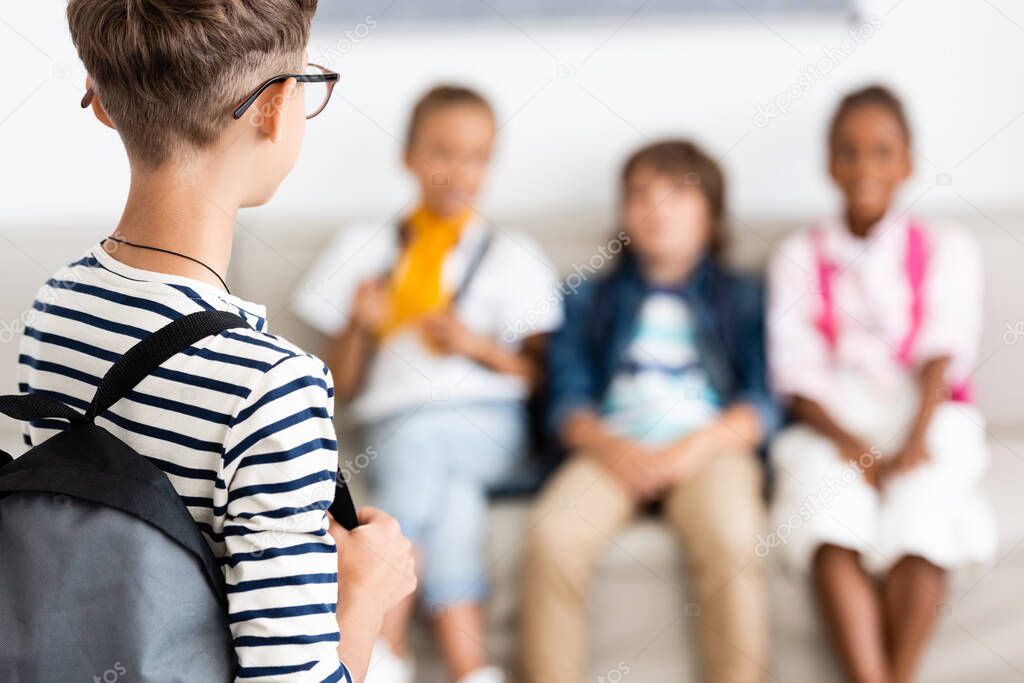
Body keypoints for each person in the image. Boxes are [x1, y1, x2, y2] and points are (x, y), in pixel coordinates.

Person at [21, 2, 417, 681]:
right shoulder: (273, 386)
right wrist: (366, 597)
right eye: (305, 86)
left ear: (103, 103)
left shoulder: (55, 307)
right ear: (272, 107)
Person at [294, 86, 563, 683]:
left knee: (425, 443)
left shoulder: (512, 255)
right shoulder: (365, 249)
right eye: (443, 152)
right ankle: (471, 667)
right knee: (451, 498)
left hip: (490, 430)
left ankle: (382, 640)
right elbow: (332, 386)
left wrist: (478, 347)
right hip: (394, 423)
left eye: (478, 155)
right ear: (409, 156)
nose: (460, 171)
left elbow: (544, 377)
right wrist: (361, 328)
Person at [521, 140, 779, 683]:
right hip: (613, 447)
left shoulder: (743, 298)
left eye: (677, 194)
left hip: (707, 448)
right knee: (553, 537)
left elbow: (763, 402)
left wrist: (695, 449)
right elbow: (566, 402)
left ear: (711, 213)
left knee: (733, 536)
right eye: (640, 194)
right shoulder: (589, 297)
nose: (656, 207)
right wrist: (615, 449)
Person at [766, 85, 997, 683]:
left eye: (881, 151)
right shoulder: (797, 254)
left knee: (921, 516)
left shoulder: (948, 248)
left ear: (907, 162)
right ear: (829, 162)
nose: (865, 167)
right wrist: (852, 445)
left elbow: (943, 351)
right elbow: (795, 371)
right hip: (833, 419)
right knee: (829, 517)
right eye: (849, 151)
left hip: (924, 412)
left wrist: (915, 439)